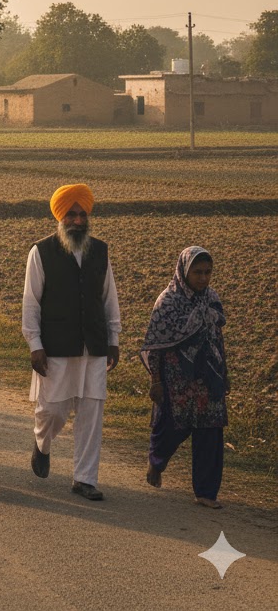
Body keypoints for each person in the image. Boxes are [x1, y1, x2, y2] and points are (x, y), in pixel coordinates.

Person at [22, 184, 121, 501]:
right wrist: (35, 344)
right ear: (60, 216)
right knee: (52, 409)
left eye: (82, 214)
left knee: (92, 411)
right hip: (56, 345)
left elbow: (109, 299)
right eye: (71, 214)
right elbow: (31, 304)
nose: (78, 220)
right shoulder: (41, 252)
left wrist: (114, 339)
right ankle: (42, 443)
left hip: (93, 344)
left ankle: (85, 478)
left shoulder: (101, 251)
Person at [140, 246, 228, 508]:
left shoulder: (211, 299)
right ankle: (157, 460)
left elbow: (217, 339)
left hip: (208, 377)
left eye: (208, 272)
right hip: (176, 377)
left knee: (211, 433)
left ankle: (205, 492)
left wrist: (225, 374)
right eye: (197, 272)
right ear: (183, 271)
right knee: (172, 427)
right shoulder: (168, 301)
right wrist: (156, 381)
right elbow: (155, 344)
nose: (203, 278)